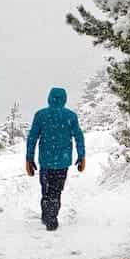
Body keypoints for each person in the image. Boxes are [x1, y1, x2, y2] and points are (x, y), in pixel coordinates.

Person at [25, 87, 85, 231]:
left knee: (46, 190)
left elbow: (32, 137)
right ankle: (51, 216)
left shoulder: (40, 115)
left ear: (49, 98)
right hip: (62, 162)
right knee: (56, 191)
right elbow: (79, 136)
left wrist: (29, 158)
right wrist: (81, 155)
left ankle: (48, 216)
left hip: (45, 161)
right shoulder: (70, 116)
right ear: (64, 99)